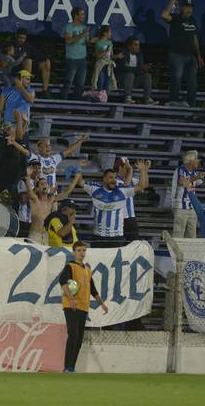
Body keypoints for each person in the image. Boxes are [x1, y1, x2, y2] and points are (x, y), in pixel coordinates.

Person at [58, 241, 108, 373]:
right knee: (73, 334)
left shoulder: (87, 269)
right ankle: (67, 367)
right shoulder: (70, 267)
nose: (82, 253)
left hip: (84, 307)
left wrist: (101, 303)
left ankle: (72, 367)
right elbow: (62, 282)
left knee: (79, 338)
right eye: (79, 250)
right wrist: (72, 298)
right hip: (71, 306)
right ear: (74, 252)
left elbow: (92, 289)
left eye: (84, 250)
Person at [76, 160, 151, 246]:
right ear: (104, 179)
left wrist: (142, 170)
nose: (114, 180)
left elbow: (142, 186)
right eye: (111, 177)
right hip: (98, 236)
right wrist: (79, 168)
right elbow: (80, 182)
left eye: (115, 178)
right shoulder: (95, 189)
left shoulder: (122, 190)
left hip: (116, 237)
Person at [171, 150, 205, 238]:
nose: (198, 161)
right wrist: (196, 177)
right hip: (181, 207)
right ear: (190, 161)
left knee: (192, 236)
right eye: (196, 159)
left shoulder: (194, 173)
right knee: (178, 235)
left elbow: (202, 184)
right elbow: (181, 182)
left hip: (192, 208)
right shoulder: (180, 169)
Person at [161, 0, 204, 108]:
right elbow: (164, 15)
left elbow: (195, 39)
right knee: (177, 79)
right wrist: (172, 2)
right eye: (186, 7)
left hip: (191, 56)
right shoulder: (176, 18)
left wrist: (199, 56)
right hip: (176, 55)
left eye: (190, 7)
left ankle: (191, 106)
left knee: (193, 83)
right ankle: (173, 102)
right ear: (182, 8)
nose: (189, 10)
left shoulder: (193, 20)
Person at [26, 172, 81, 245]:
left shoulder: (51, 200)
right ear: (37, 188)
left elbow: (66, 192)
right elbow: (29, 191)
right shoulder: (35, 200)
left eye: (46, 183)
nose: (44, 185)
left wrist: (76, 179)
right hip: (35, 235)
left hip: (46, 236)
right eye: (42, 184)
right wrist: (28, 176)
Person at [18, 135, 89, 190]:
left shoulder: (54, 159)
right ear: (39, 148)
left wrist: (81, 141)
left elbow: (69, 150)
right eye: (45, 145)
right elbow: (24, 151)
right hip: (41, 193)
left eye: (49, 145)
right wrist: (14, 142)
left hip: (53, 194)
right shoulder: (36, 158)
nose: (48, 147)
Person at [115, 36, 158, 105]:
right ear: (129, 46)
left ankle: (147, 99)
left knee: (147, 75)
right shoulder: (123, 53)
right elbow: (123, 68)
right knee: (130, 74)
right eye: (135, 45)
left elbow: (139, 70)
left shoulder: (139, 54)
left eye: (138, 45)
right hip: (123, 81)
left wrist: (144, 68)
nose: (138, 47)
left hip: (135, 81)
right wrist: (140, 68)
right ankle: (128, 98)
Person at [12, 28, 52, 99]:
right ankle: (26, 88)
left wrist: (46, 59)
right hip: (14, 69)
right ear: (16, 36)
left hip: (28, 69)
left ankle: (44, 91)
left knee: (45, 63)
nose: (22, 40)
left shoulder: (28, 46)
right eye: (20, 38)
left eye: (24, 38)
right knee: (28, 61)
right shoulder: (11, 45)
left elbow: (38, 55)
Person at [61, 7, 90, 100]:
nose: (83, 16)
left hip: (82, 59)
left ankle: (76, 106)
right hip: (72, 59)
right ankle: (63, 106)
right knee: (68, 83)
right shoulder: (69, 27)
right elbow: (68, 41)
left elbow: (86, 42)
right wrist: (82, 35)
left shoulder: (84, 27)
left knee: (80, 85)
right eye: (81, 14)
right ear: (75, 15)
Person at [0, 70, 35, 136]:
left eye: (29, 80)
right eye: (27, 79)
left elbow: (31, 100)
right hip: (8, 127)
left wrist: (21, 87)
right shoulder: (6, 90)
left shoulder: (30, 91)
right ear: (18, 79)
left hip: (22, 128)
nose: (29, 82)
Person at [88, 25, 121, 101]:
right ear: (105, 33)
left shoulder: (110, 42)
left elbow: (111, 55)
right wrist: (104, 51)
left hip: (108, 66)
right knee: (100, 84)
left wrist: (117, 56)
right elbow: (97, 56)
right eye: (110, 32)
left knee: (107, 86)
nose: (111, 34)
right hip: (101, 66)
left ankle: (104, 102)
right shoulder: (99, 42)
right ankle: (98, 103)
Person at [114, 157, 141, 241]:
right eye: (127, 167)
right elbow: (125, 188)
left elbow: (143, 185)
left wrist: (143, 170)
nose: (129, 169)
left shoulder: (129, 180)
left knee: (133, 246)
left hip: (130, 218)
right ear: (120, 168)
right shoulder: (114, 181)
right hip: (120, 219)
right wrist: (130, 170)